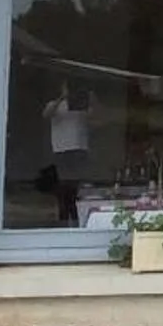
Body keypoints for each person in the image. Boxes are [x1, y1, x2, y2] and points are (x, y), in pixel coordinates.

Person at [44, 84, 93, 227]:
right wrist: (61, 98)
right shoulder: (55, 105)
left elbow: (96, 119)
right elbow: (46, 114)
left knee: (76, 190)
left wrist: (92, 99)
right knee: (63, 188)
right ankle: (64, 221)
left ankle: (77, 221)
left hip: (79, 150)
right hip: (61, 150)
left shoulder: (82, 105)